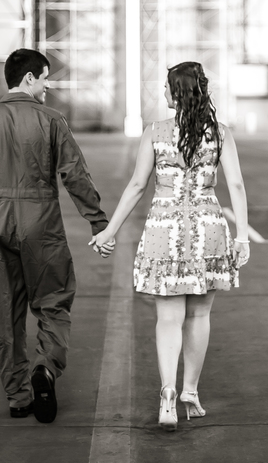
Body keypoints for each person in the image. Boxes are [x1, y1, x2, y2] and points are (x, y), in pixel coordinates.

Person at [90, 61, 250, 432]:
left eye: (166, 87)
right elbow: (237, 186)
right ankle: (190, 392)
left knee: (168, 318)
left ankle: (167, 393)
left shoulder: (156, 132)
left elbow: (136, 186)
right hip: (208, 230)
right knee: (199, 315)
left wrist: (109, 231)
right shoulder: (220, 133)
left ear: (176, 92)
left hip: (165, 230)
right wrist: (241, 236)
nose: (162, 93)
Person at [0, 49, 109, 423]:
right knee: (54, 302)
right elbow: (75, 175)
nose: (47, 84)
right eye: (44, 77)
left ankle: (18, 397)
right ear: (28, 80)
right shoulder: (52, 120)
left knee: (6, 314)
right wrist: (98, 222)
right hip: (42, 224)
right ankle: (47, 367)